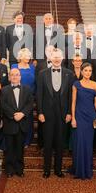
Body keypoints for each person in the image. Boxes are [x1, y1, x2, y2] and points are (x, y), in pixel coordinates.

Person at [37, 48, 73, 178]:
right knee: (47, 142)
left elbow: (70, 96)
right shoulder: (42, 73)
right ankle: (46, 170)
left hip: (63, 114)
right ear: (50, 58)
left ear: (62, 58)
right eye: (55, 57)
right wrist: (40, 112)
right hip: (47, 113)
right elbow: (39, 94)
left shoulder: (69, 73)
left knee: (60, 142)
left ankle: (58, 169)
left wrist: (70, 113)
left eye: (59, 57)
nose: (57, 59)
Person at [0, 68, 33, 178]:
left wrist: (22, 113)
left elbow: (30, 103)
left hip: (22, 123)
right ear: (9, 77)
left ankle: (19, 169)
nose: (15, 77)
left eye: (17, 75)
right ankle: (9, 169)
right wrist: (13, 115)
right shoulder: (4, 90)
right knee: (9, 148)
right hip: (10, 122)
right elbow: (3, 105)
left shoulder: (27, 89)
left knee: (20, 148)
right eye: (12, 75)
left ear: (20, 77)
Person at [71, 62, 96, 179]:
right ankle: (79, 170)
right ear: (82, 71)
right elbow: (73, 102)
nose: (88, 73)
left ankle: (87, 169)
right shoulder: (76, 84)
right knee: (79, 143)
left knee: (88, 144)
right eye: (86, 70)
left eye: (90, 71)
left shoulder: (95, 85)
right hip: (79, 116)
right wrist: (73, 118)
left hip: (90, 117)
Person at [12, 48, 36, 147]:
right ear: (20, 56)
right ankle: (17, 140)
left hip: (29, 96)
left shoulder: (32, 67)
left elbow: (35, 82)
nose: (28, 57)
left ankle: (27, 141)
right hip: (17, 95)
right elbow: (12, 80)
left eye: (29, 56)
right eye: (26, 55)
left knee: (28, 119)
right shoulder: (14, 66)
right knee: (17, 117)